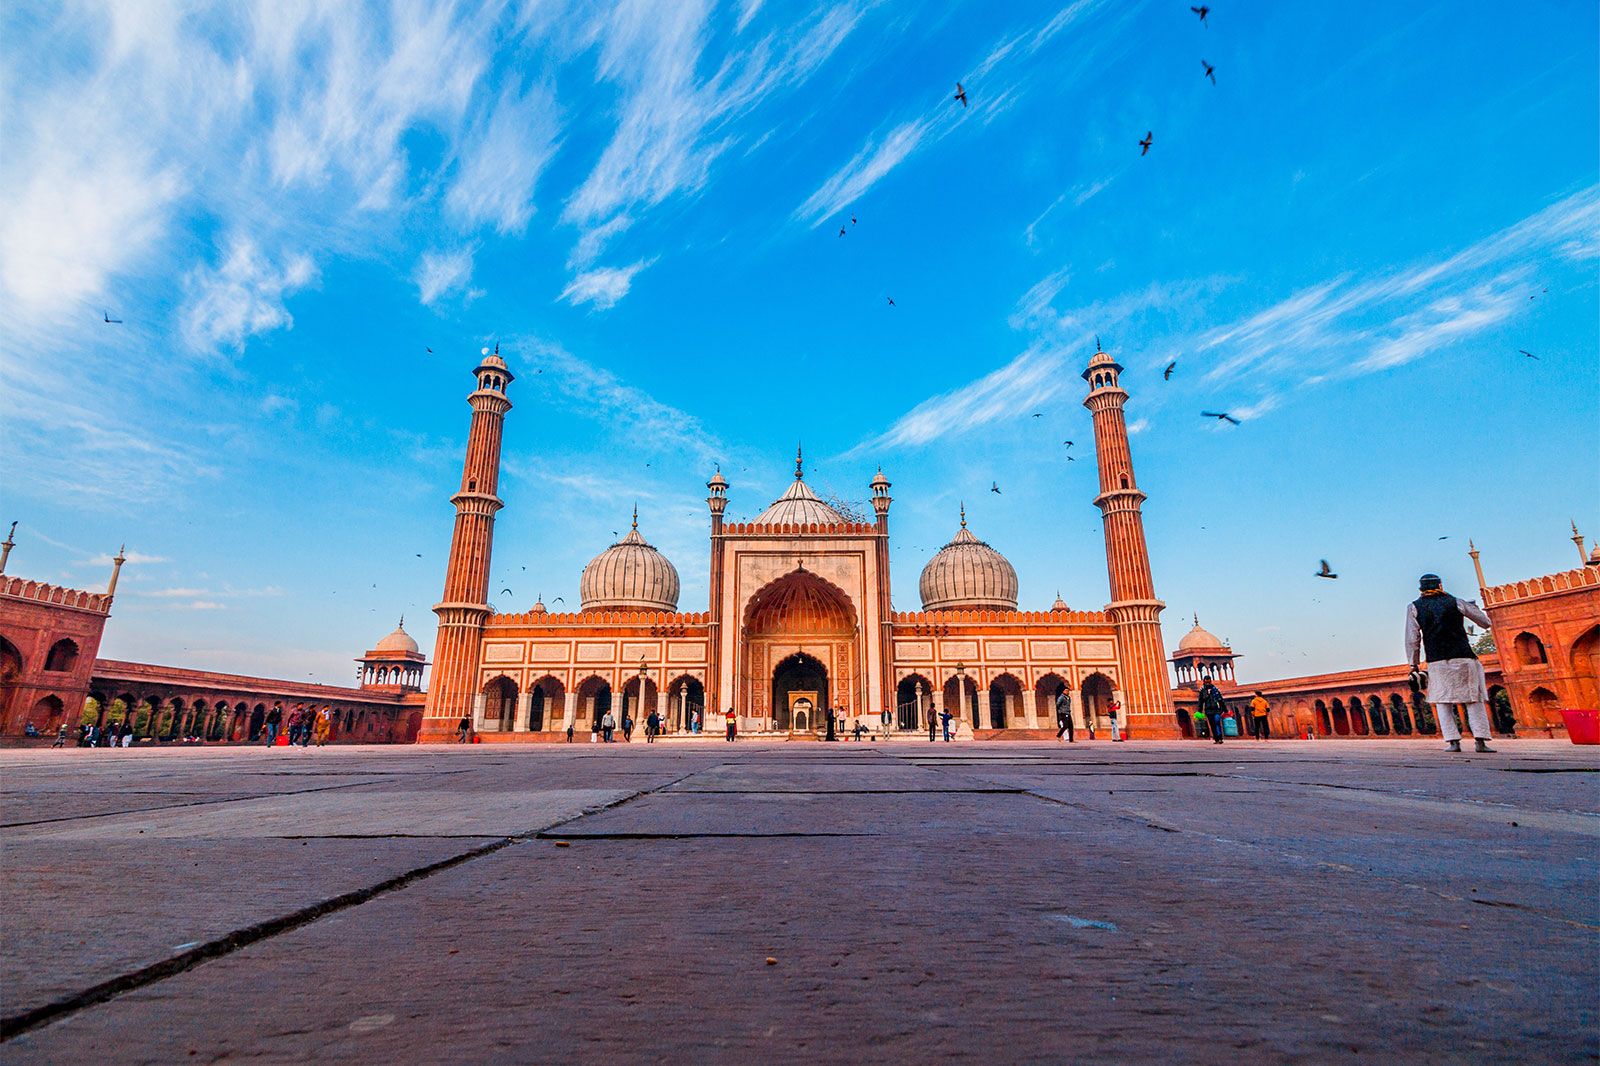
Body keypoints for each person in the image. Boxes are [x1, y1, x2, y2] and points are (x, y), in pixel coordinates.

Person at [1406, 573, 1495, 753]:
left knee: (1442, 700)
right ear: (1440, 585)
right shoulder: (1456, 602)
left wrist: (1413, 664)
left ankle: (1453, 742)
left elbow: (1412, 638)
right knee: (1473, 698)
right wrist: (1474, 607)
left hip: (1436, 660)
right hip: (1463, 657)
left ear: (1420, 589)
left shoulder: (1414, 607)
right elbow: (1485, 623)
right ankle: (1480, 741)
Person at [1197, 680, 1227, 745]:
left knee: (1217, 722)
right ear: (1204, 682)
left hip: (1216, 709)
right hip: (1208, 710)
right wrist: (1199, 711)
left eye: (1208, 682)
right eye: (1206, 682)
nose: (1207, 683)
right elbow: (1201, 701)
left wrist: (1225, 710)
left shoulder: (1215, 690)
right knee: (1212, 724)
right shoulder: (1203, 691)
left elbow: (1221, 700)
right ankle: (1216, 738)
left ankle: (1220, 738)